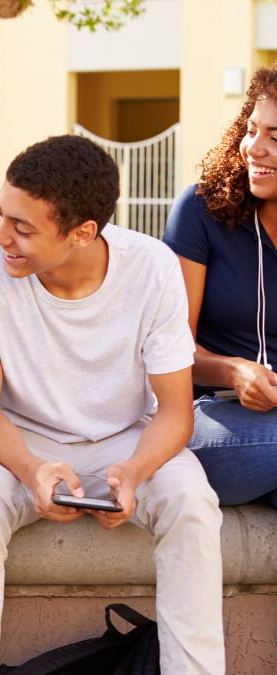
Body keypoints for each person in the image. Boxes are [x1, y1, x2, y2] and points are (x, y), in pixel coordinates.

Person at [0, 135, 225, 674]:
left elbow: (176, 412)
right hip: (16, 439)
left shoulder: (152, 268)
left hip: (128, 437)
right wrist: (33, 468)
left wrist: (136, 472)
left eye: (23, 228)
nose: (0, 238)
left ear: (83, 233)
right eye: (1, 215)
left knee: (193, 505)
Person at [162, 65, 277, 510]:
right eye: (252, 130)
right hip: (207, 416)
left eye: (275, 136)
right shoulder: (200, 211)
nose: (255, 148)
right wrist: (235, 371)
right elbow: (170, 349)